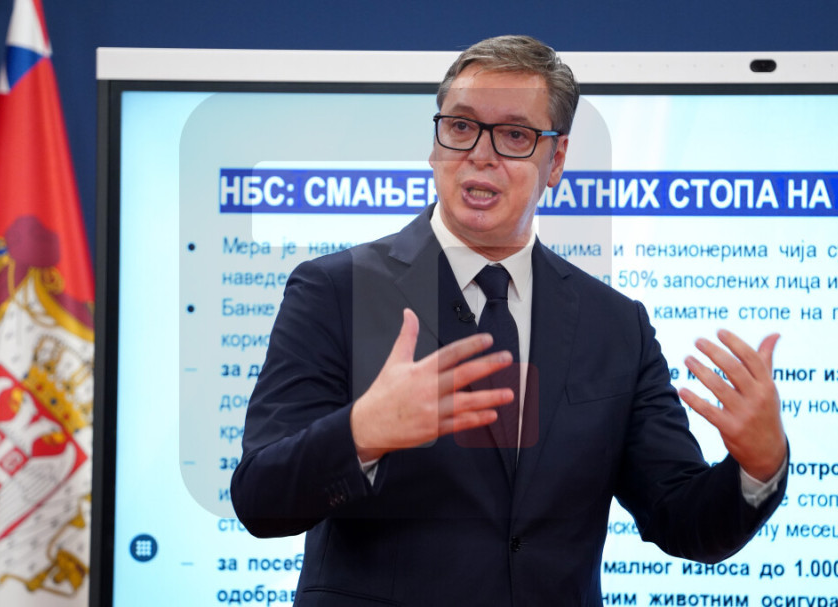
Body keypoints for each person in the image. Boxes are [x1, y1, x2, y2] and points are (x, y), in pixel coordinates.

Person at [230, 34, 787, 605]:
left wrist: (758, 464)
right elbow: (259, 499)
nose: (481, 153)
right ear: (435, 144)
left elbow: (682, 518)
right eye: (461, 126)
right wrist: (362, 433)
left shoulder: (616, 325)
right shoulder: (334, 291)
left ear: (557, 160)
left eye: (515, 135)